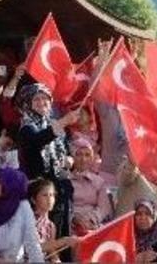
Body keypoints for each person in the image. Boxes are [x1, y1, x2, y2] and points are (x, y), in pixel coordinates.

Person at [17, 83, 81, 241]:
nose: (42, 102)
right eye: (36, 99)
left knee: (62, 233)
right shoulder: (26, 127)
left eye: (45, 99)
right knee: (44, 237)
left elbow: (65, 150)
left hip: (60, 188)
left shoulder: (54, 123)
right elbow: (39, 140)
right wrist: (64, 121)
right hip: (39, 192)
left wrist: (69, 160)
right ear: (28, 104)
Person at [67, 136, 112, 235]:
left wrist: (90, 219)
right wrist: (74, 219)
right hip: (70, 225)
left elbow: (104, 208)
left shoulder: (98, 181)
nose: (83, 159)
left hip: (92, 224)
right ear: (72, 157)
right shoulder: (65, 181)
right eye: (79, 155)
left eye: (87, 155)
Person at [29, 178, 78, 263]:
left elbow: (52, 252)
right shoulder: (30, 220)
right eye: (45, 195)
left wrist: (56, 260)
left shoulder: (50, 225)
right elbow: (33, 248)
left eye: (52, 195)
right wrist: (63, 241)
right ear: (33, 200)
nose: (49, 199)